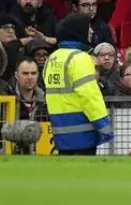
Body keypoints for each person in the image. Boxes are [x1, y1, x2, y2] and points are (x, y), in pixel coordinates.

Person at [44, 13, 113, 155]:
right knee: (86, 175)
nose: (92, 31)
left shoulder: (52, 58)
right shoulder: (80, 58)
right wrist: (104, 126)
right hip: (83, 132)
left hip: (60, 131)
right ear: (78, 31)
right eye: (88, 28)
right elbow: (89, 96)